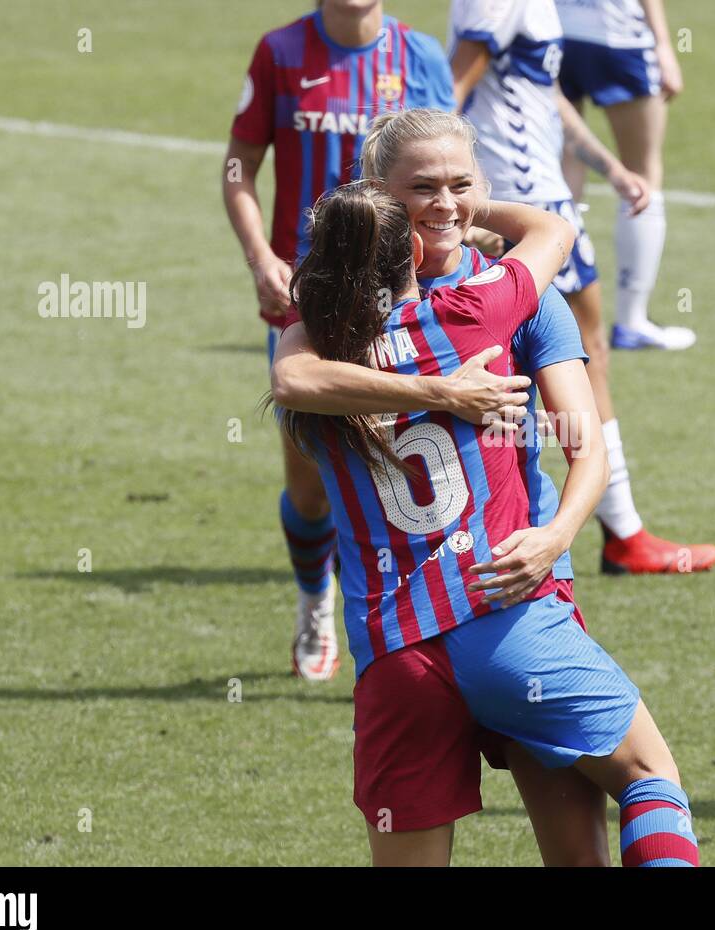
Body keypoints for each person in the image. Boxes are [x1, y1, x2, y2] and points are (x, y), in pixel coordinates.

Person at [277, 181, 699, 866]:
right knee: (649, 777)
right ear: (414, 245)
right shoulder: (473, 314)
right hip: (503, 616)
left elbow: (294, 377)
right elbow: (553, 235)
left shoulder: (313, 356)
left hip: (395, 660)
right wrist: (468, 211)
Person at [447, 0, 715, 577]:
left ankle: (607, 530)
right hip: (525, 207)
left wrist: (609, 167)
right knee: (567, 359)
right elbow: (452, 92)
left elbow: (545, 93)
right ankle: (618, 532)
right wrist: (457, 209)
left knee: (562, 358)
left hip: (543, 200)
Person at [222, 0, 452, 681]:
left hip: (406, 295)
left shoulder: (421, 58)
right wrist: (261, 258)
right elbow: (240, 163)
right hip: (310, 300)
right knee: (312, 484)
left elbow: (446, 168)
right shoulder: (282, 52)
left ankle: (417, 631)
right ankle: (311, 597)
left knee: (409, 465)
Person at [555, 0, 694, 351]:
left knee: (565, 173)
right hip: (617, 36)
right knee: (643, 172)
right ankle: (632, 320)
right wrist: (663, 44)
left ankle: (556, 306)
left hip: (555, 34)